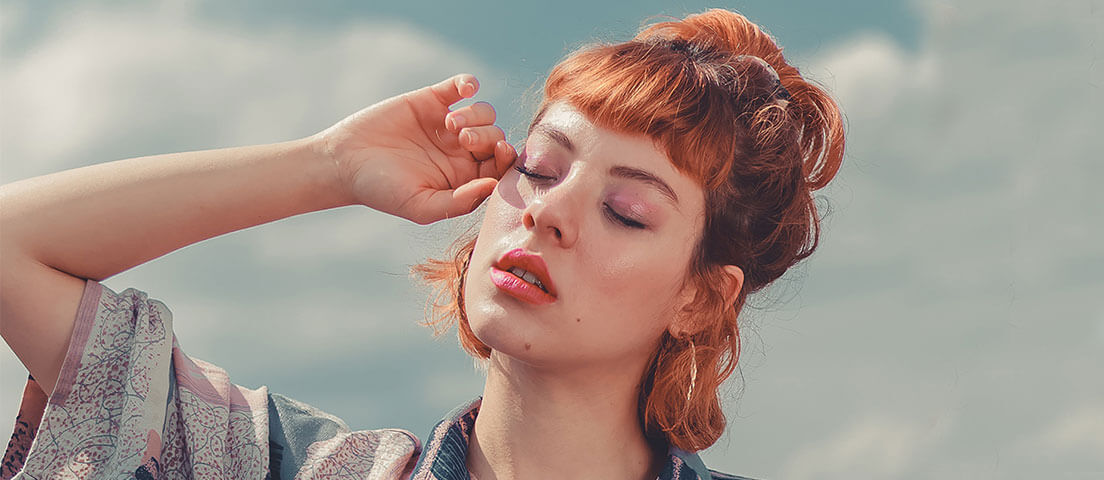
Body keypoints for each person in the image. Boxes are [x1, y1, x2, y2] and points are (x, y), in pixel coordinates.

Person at [0, 8, 844, 479]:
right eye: (542, 167)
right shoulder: (280, 466)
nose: (548, 213)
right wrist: (326, 165)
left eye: (626, 211)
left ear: (701, 296)